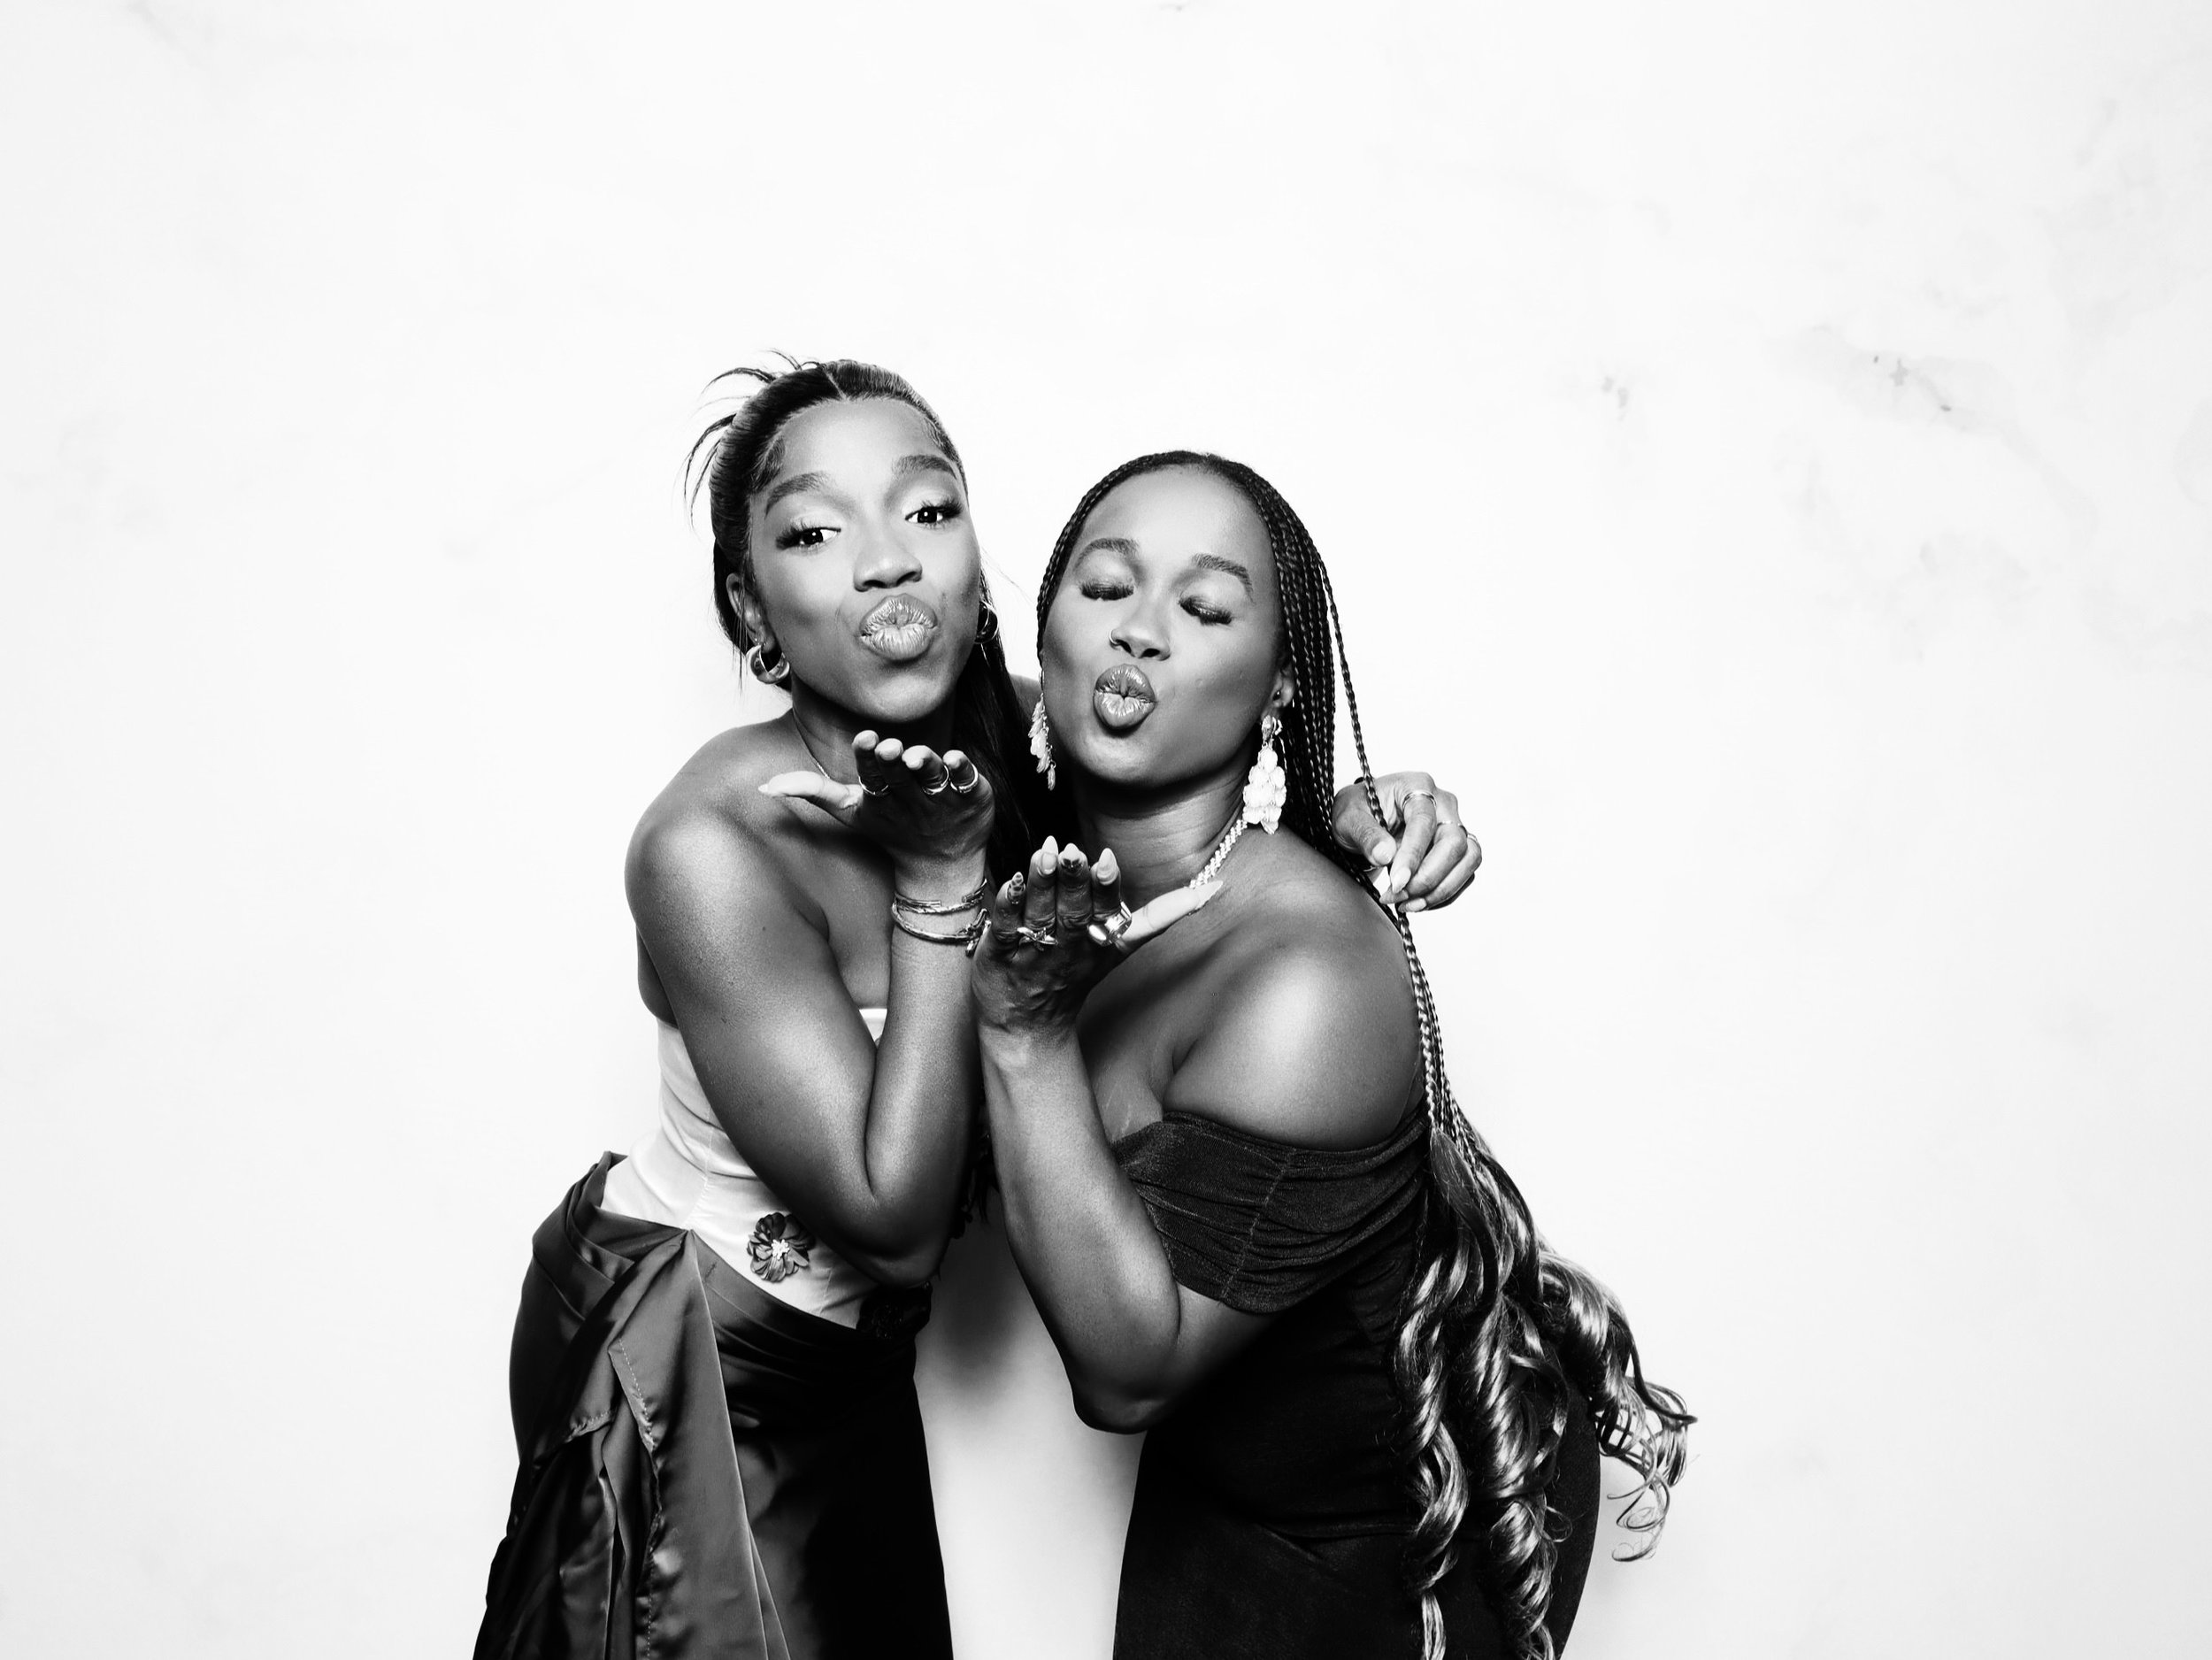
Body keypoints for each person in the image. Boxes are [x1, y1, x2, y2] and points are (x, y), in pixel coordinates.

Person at [473, 362, 1483, 1660]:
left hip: (856, 1376)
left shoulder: (1019, 742)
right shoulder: (708, 848)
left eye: (928, 513)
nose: (885, 561)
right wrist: (942, 878)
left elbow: (1174, 778)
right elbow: (893, 1223)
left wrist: (1343, 823)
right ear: (753, 606)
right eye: (814, 531)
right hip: (700, 1354)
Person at [969, 452, 1692, 1660]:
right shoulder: (1063, 871)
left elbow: (1126, 1371)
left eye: (1204, 610)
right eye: (1104, 590)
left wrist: (1022, 1031)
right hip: (1228, 1477)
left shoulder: (1308, 980)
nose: (1140, 635)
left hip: (1393, 1532)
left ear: (1279, 687)